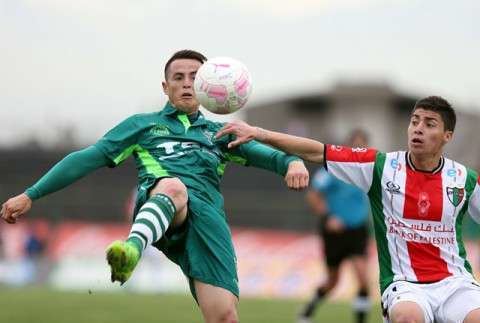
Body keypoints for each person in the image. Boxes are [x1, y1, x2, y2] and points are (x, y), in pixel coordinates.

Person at [0, 49, 309, 323]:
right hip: (162, 205)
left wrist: (293, 163)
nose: (187, 83)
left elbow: (276, 158)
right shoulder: (143, 125)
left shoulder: (222, 133)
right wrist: (31, 194)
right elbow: (85, 158)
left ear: (205, 86)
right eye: (178, 77)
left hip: (207, 223)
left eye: (195, 77)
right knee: (175, 188)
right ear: (166, 86)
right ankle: (132, 249)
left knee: (224, 316)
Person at [216, 96, 480, 323]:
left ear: (447, 136)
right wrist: (260, 133)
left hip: (454, 282)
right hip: (406, 285)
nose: (418, 129)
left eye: (429, 124)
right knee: (407, 316)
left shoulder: (464, 179)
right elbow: (317, 151)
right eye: (414, 121)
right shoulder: (381, 166)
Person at [298, 129, 371, 323]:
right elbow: (313, 196)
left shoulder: (368, 171)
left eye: (363, 145)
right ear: (348, 146)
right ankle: (308, 310)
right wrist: (329, 217)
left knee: (363, 278)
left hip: (357, 229)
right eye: (356, 145)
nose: (359, 149)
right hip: (334, 231)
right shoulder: (332, 169)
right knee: (333, 281)